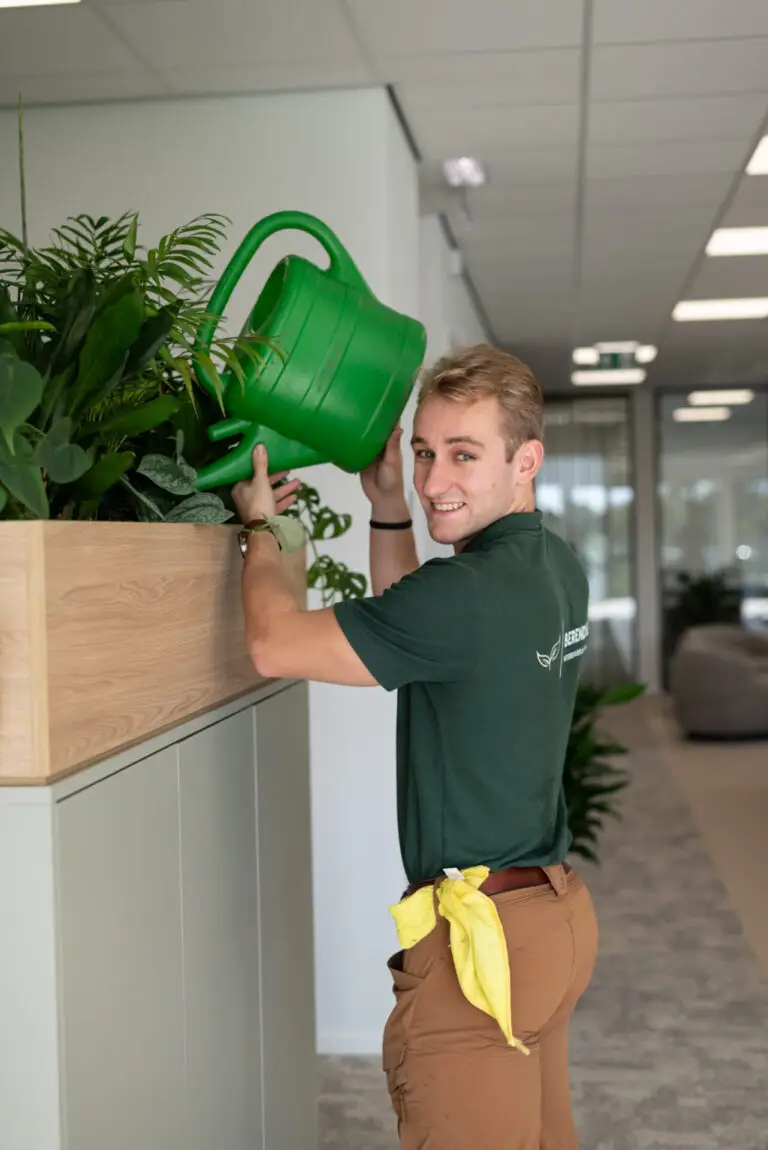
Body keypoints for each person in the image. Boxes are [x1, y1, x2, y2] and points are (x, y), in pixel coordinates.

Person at [232, 343, 598, 1150]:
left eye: (464, 455)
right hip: (553, 921)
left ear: (526, 460)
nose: (435, 481)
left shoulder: (463, 597)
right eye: (425, 453)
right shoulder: (555, 566)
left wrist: (266, 526)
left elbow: (273, 646)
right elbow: (414, 622)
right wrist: (389, 505)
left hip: (482, 949)